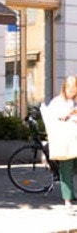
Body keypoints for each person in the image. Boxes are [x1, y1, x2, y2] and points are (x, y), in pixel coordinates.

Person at [46, 76, 77, 213]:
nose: (72, 93)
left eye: (74, 91)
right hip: (65, 141)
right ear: (64, 88)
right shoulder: (57, 102)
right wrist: (66, 116)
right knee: (66, 169)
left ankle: (72, 194)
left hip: (75, 138)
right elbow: (51, 120)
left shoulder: (75, 101)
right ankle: (67, 200)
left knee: (71, 168)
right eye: (70, 90)